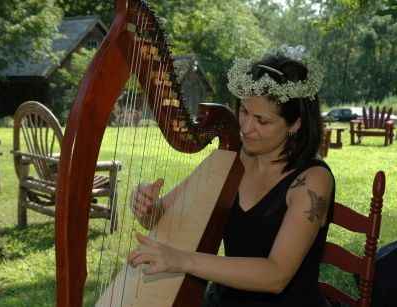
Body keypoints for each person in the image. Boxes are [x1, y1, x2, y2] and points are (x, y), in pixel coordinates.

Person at [128, 45, 337, 307]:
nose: (246, 128)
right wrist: (147, 207)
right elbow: (160, 217)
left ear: (295, 124)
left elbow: (276, 275)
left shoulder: (313, 181)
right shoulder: (229, 161)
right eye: (244, 111)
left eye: (262, 121)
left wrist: (182, 259)